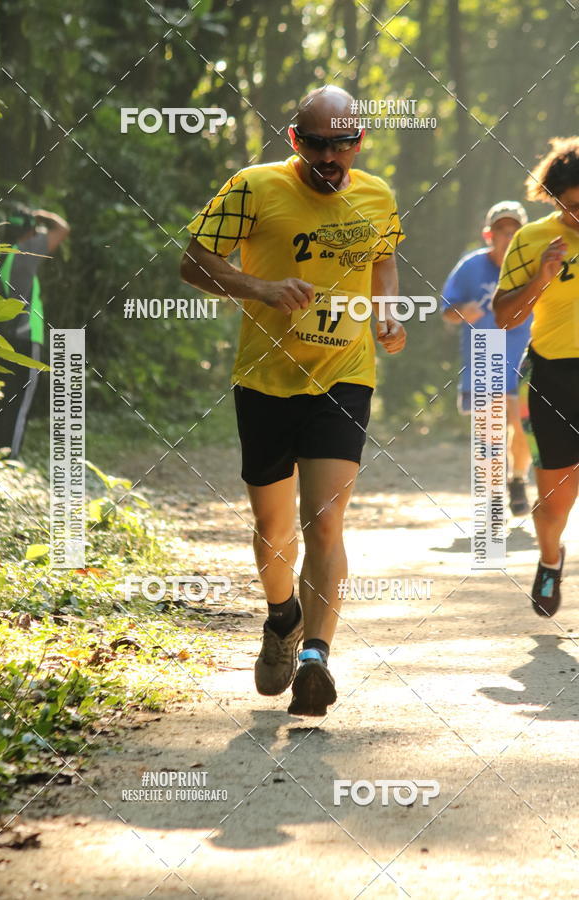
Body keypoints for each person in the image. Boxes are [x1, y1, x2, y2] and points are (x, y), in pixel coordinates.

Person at [180, 86, 406, 716]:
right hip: (265, 380)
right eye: (316, 143)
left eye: (342, 143)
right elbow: (193, 262)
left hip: (343, 375)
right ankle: (282, 617)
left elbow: (382, 262)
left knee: (325, 521)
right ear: (293, 140)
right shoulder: (253, 187)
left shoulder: (378, 196)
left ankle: (315, 659)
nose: (329, 155)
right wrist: (260, 286)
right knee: (273, 530)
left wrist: (387, 313)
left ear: (360, 141)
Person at [493, 136, 579, 617]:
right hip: (555, 376)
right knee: (556, 500)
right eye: (573, 206)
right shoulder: (532, 240)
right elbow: (503, 315)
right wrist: (541, 278)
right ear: (554, 197)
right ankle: (550, 559)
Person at [442, 202, 533, 515]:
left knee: (522, 429)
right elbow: (447, 311)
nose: (508, 237)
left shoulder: (532, 267)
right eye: (501, 231)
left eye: (514, 231)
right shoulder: (471, 267)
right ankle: (494, 496)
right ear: (488, 235)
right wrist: (461, 312)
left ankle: (518, 479)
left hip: (525, 359)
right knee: (490, 432)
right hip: (486, 357)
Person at [0, 203, 70, 458]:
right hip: (26, 339)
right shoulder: (28, 251)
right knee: (19, 403)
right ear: (31, 231)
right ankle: (11, 458)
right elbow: (63, 229)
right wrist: (43, 214)